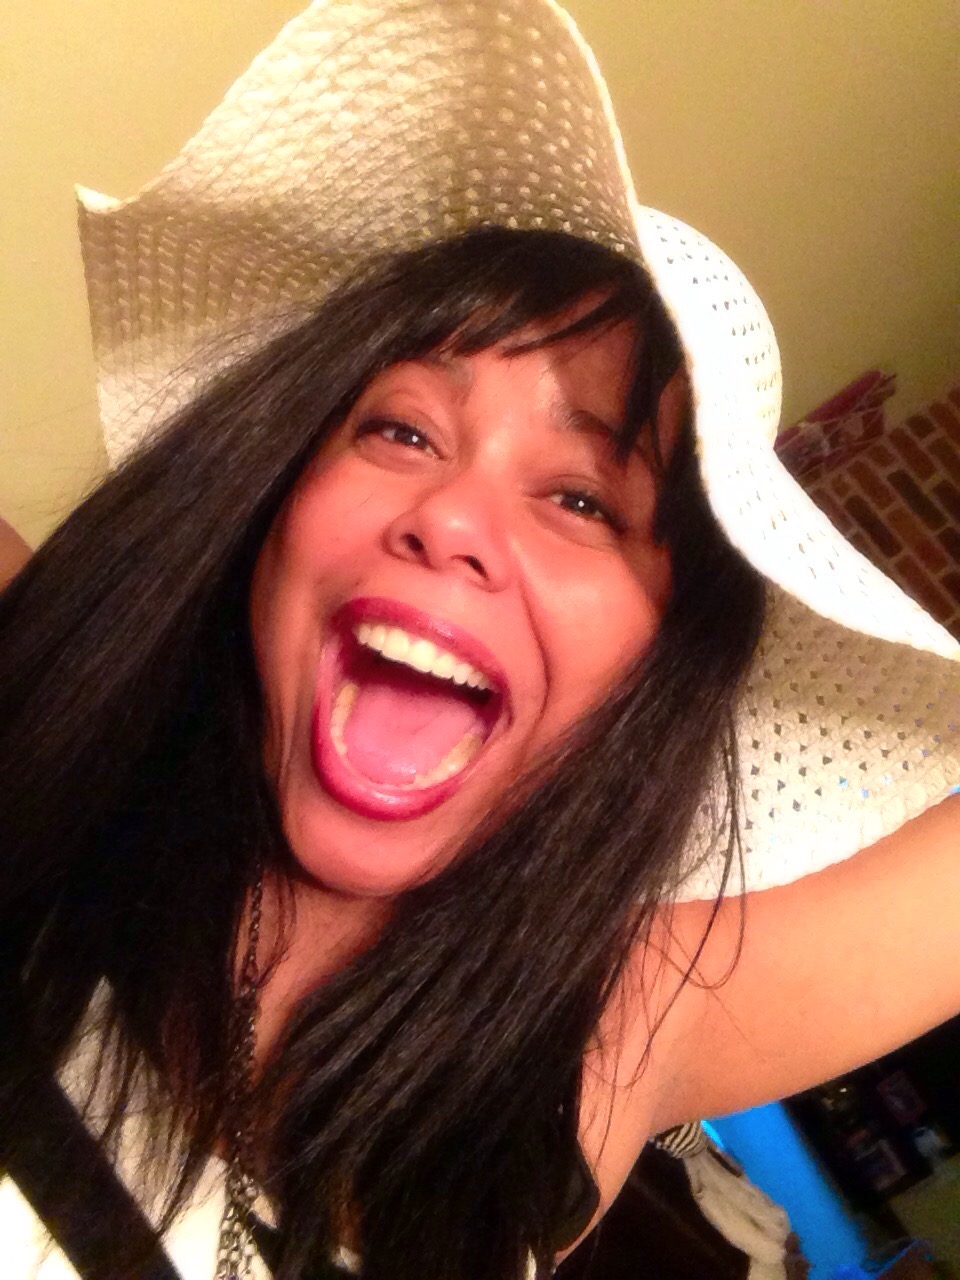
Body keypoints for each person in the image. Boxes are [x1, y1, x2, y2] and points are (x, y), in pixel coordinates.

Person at [0, 3, 957, 1279]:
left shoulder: (606, 1037)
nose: (451, 516)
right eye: (401, 430)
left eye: (584, 499)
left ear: (658, 670)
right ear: (273, 497)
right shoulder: (35, 697)